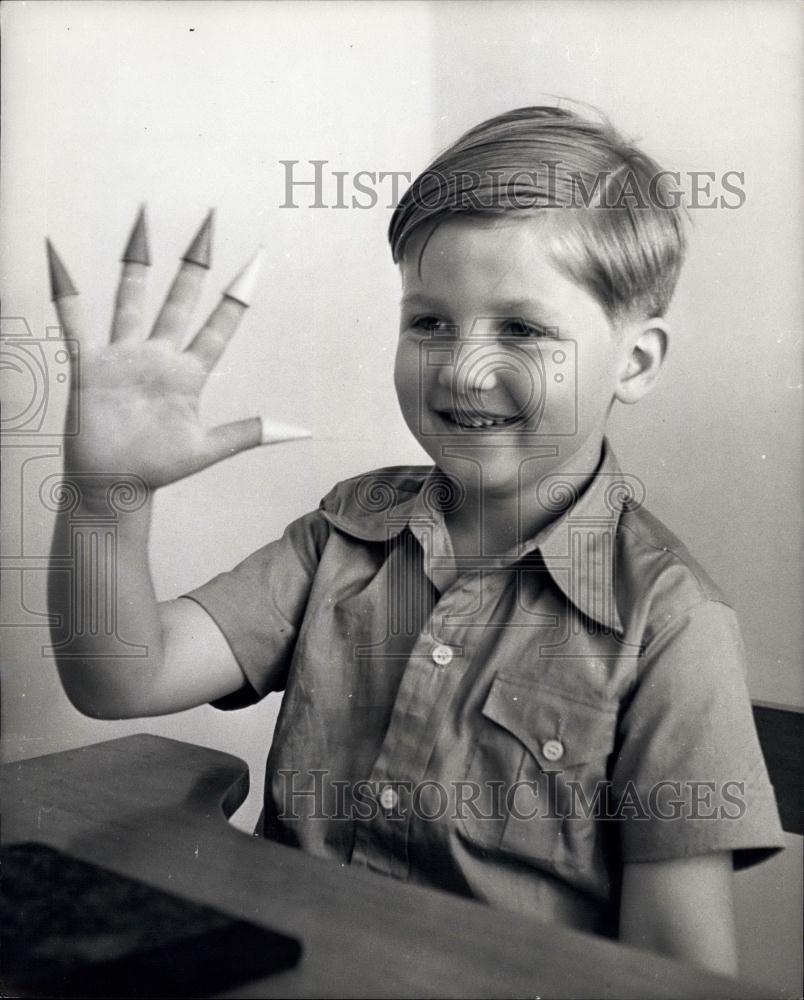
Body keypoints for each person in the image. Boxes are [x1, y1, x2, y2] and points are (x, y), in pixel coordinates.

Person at [47, 105, 784, 976]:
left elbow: (675, 970)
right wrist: (106, 500)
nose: (464, 367)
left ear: (636, 360)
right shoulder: (346, 535)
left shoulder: (671, 624)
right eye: (429, 322)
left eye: (523, 329)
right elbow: (120, 676)